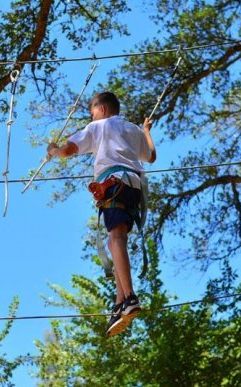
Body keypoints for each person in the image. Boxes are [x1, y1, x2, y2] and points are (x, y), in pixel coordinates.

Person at [47, 91, 156, 336]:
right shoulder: (133, 130)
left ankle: (129, 297)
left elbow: (67, 151)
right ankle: (119, 304)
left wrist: (53, 150)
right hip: (134, 188)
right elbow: (151, 156)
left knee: (115, 239)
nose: (92, 116)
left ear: (102, 110)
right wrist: (147, 131)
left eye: (92, 112)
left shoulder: (98, 127)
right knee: (116, 240)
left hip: (114, 183)